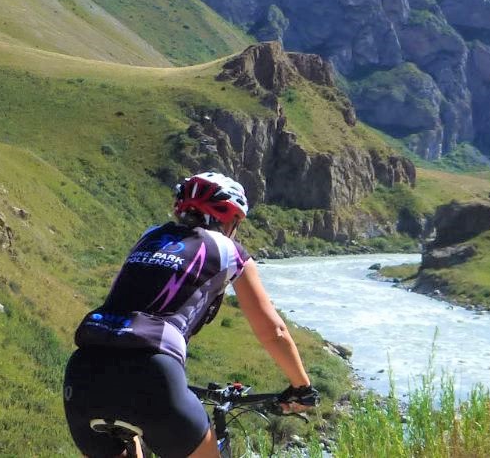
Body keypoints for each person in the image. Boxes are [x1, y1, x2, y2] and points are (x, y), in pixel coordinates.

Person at [62, 172, 318, 457]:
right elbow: (274, 332)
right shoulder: (228, 250)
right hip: (153, 371)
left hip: (83, 371)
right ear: (231, 219)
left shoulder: (150, 237)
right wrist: (302, 388)